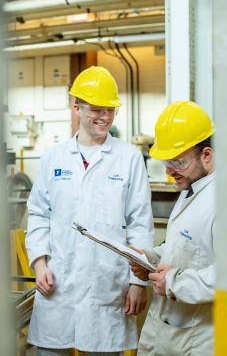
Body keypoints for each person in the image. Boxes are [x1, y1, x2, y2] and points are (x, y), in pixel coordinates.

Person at [26, 66, 154, 356]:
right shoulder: (53, 157)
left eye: (110, 110)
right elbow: (38, 214)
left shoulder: (129, 158)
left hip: (107, 287)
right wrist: (40, 264)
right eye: (97, 109)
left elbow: (140, 224)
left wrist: (137, 282)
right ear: (76, 107)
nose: (105, 117)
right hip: (58, 284)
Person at [130, 100, 215, 356]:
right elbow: (185, 247)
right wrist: (152, 259)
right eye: (167, 162)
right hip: (167, 332)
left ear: (206, 155)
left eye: (177, 162)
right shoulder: (191, 187)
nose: (170, 172)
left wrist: (175, 281)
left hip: (197, 338)